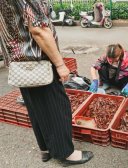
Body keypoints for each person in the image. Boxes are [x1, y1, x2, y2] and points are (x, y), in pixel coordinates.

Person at [0, 0, 93, 166]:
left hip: (20, 63)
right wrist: (60, 64)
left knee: (36, 108)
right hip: (39, 61)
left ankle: (46, 149)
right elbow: (39, 30)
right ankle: (66, 154)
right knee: (57, 106)